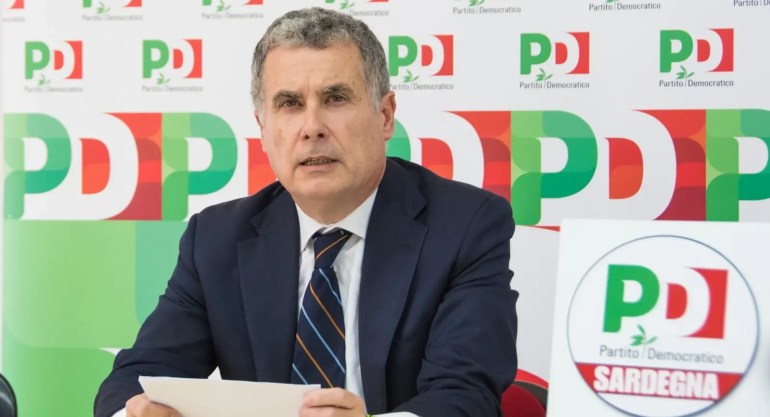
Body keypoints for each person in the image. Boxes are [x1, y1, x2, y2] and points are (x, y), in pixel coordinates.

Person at [95, 7, 517, 417]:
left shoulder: (465, 226)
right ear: (263, 128)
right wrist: (136, 412)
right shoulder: (215, 238)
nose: (312, 127)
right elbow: (137, 377)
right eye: (290, 103)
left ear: (385, 116)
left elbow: (466, 394)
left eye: (335, 98)